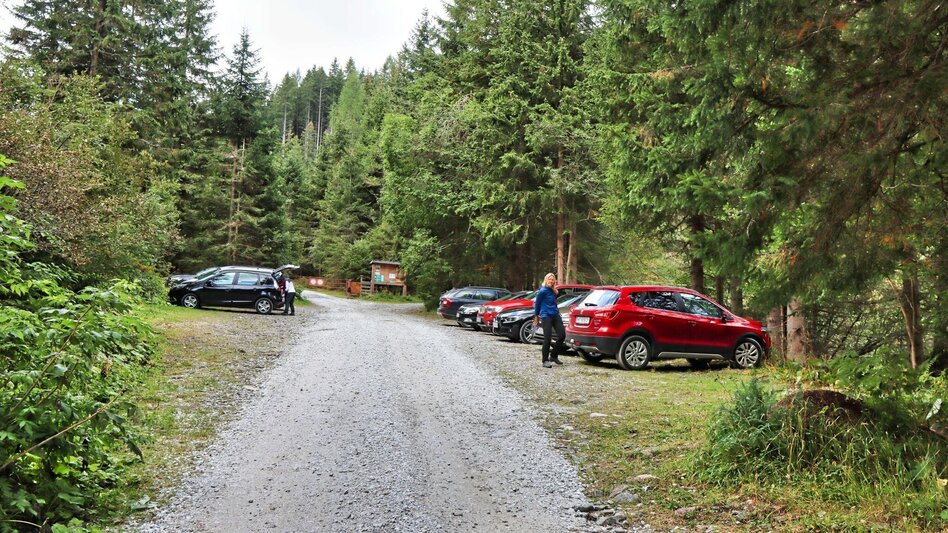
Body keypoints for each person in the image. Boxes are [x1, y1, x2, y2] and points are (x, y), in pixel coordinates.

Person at [533, 272, 564, 368]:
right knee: (547, 338)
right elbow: (537, 304)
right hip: (546, 315)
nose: (551, 280)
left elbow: (553, 303)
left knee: (562, 335)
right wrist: (536, 316)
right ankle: (545, 360)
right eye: (549, 279)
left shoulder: (553, 291)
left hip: (555, 314)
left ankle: (553, 356)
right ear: (546, 280)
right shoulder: (542, 291)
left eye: (553, 279)